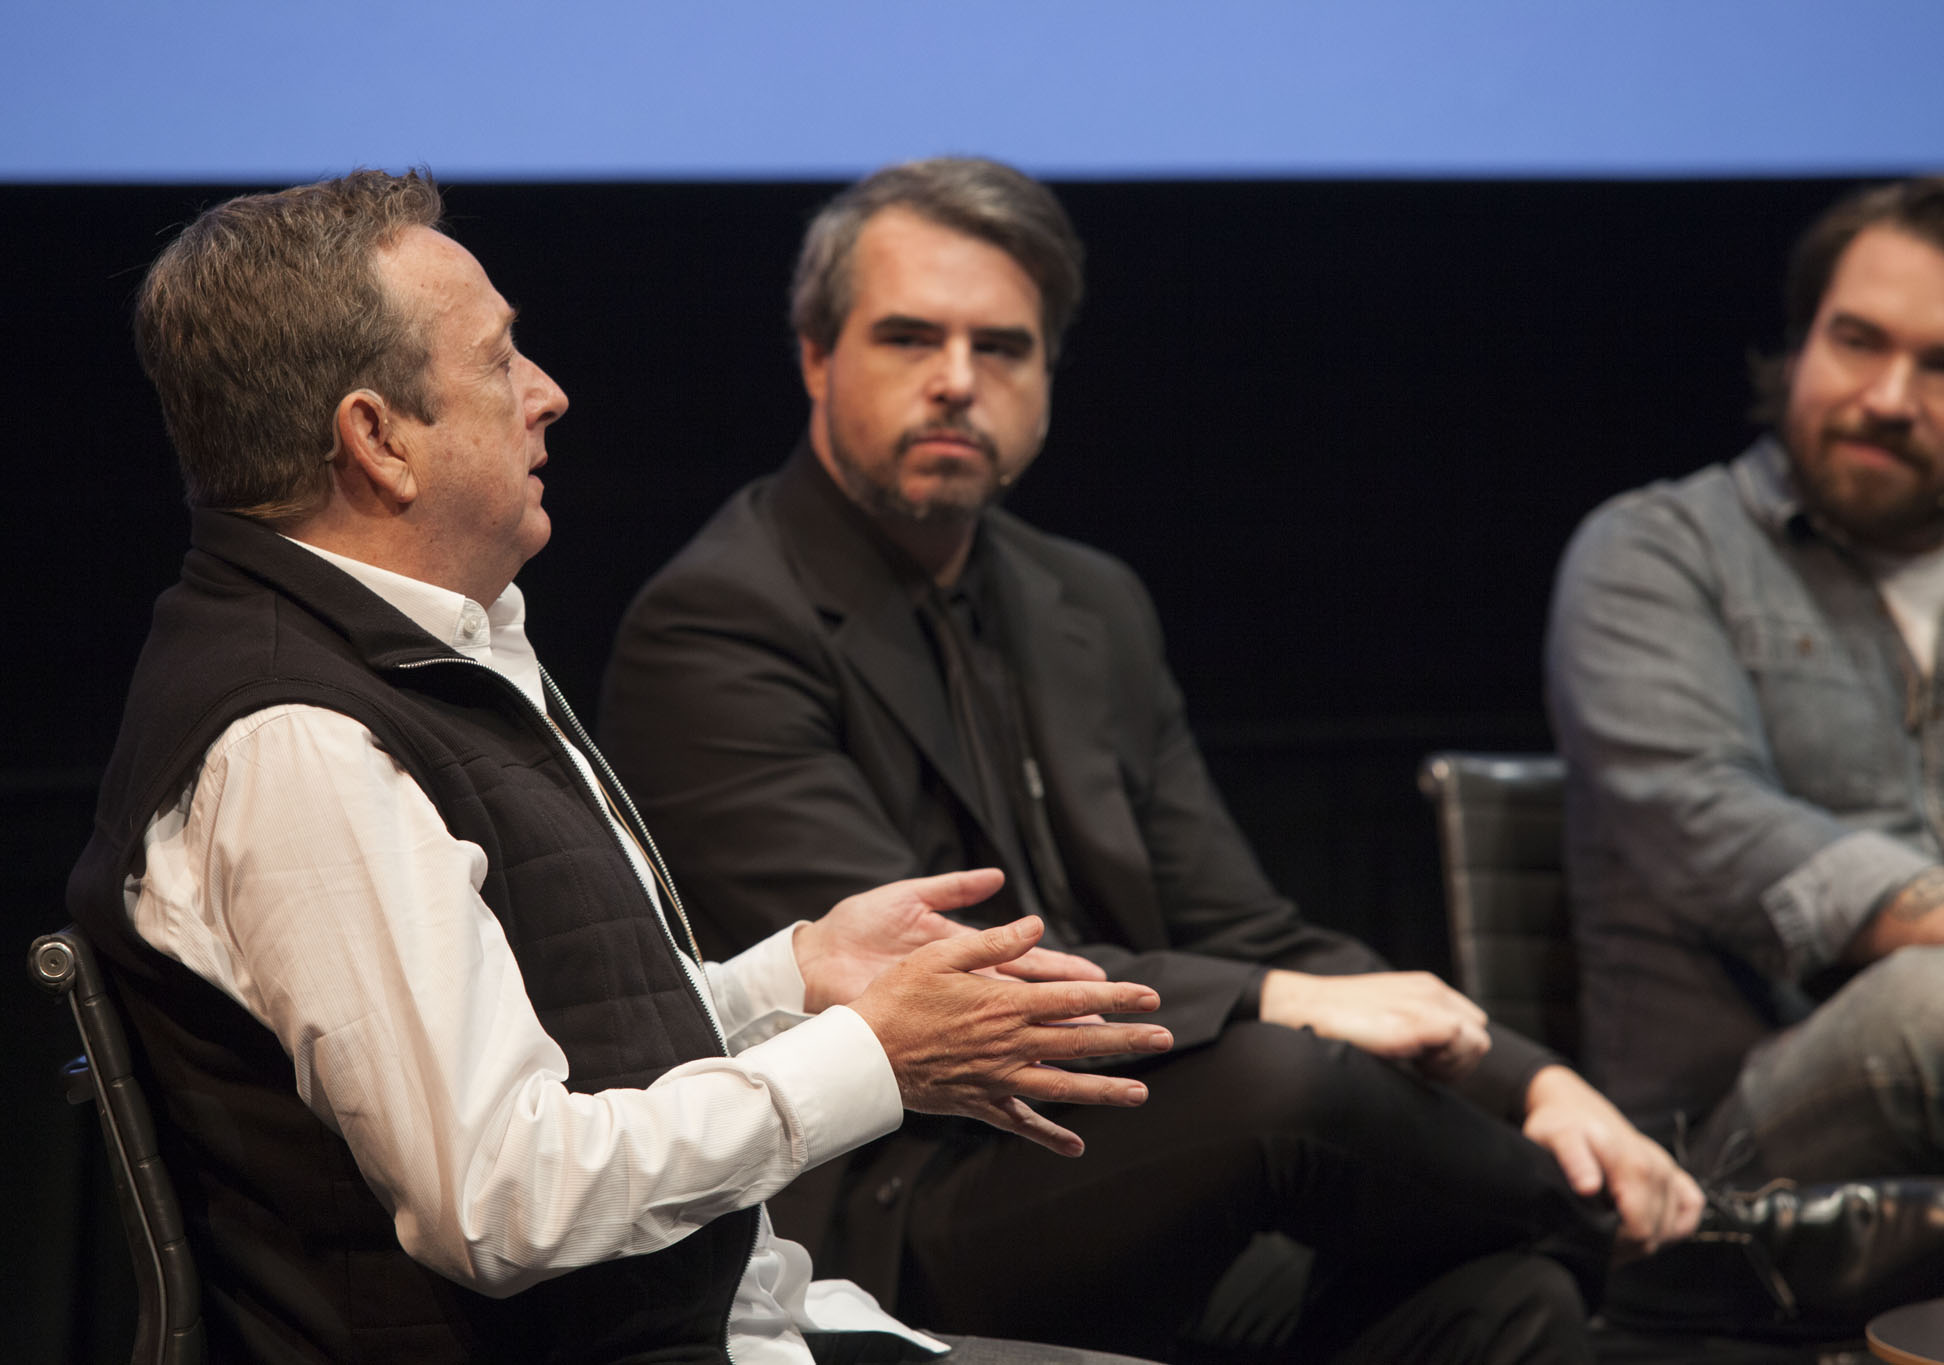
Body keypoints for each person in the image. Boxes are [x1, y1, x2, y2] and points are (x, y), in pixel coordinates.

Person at [64, 168, 1182, 1365]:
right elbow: (503, 1198)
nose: (548, 394)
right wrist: (872, 1060)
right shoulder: (300, 742)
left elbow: (559, 1050)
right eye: (498, 362)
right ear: (377, 440)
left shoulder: (430, 652)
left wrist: (793, 982)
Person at [597, 156, 1700, 1364]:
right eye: (908, 338)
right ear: (816, 357)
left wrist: (1534, 1084)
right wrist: (1278, 1004)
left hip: (1130, 1174)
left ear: (1045, 377)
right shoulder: (714, 622)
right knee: (1293, 1088)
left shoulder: (1087, 601)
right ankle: (1686, 1256)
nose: (956, 383)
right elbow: (936, 988)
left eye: (1001, 348)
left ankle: (1612, 1237)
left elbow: (1248, 928)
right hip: (891, 1199)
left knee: (1501, 1303)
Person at [1547, 180, 1944, 1196]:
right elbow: (1709, 824)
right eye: (1856, 341)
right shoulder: (1657, 550)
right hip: (1727, 1138)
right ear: (1798, 338)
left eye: (1938, 365)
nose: (1889, 398)